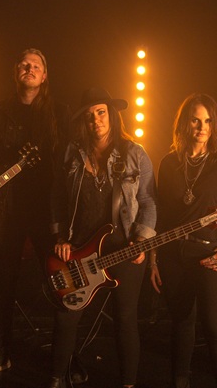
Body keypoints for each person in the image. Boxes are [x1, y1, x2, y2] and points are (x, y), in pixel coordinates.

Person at [0, 48, 70, 383]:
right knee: (2, 283)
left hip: (46, 209)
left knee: (60, 280)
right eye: (24, 64)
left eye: (36, 65)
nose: (29, 68)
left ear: (45, 75)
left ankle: (66, 358)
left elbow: (68, 161)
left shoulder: (59, 112)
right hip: (8, 207)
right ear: (15, 72)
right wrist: (12, 159)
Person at [48, 87, 157, 388]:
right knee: (67, 315)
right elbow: (57, 198)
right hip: (80, 248)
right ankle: (55, 379)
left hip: (124, 247)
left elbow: (148, 201)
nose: (96, 119)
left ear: (112, 115)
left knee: (125, 319)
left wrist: (142, 239)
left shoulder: (135, 153)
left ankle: (128, 383)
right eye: (89, 115)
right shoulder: (71, 152)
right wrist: (60, 236)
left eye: (101, 112)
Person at [149, 93, 217, 388]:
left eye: (208, 121)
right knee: (181, 324)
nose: (202, 127)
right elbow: (162, 215)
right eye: (196, 120)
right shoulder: (169, 162)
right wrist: (154, 259)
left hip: (212, 255)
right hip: (173, 256)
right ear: (185, 123)